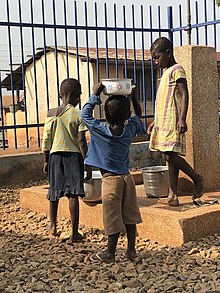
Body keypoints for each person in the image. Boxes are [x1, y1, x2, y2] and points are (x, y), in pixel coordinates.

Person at [81, 83, 143, 263]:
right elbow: (138, 115)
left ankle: (110, 253)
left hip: (110, 181)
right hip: (127, 179)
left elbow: (85, 115)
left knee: (112, 216)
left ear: (106, 115)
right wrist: (132, 97)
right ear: (127, 115)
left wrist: (95, 95)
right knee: (130, 214)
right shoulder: (130, 129)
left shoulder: (99, 130)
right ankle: (131, 250)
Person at [147, 37, 204, 206]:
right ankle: (173, 195)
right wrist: (155, 121)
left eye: (157, 57)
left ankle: (196, 178)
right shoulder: (165, 72)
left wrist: (182, 118)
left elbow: (184, 93)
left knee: (170, 155)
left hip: (173, 119)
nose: (155, 61)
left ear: (168, 53)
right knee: (169, 157)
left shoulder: (177, 69)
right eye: (153, 59)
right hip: (163, 120)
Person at [42, 78, 92, 242]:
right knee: (73, 194)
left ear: (59, 94)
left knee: (54, 192)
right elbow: (82, 141)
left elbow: (46, 140)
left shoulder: (51, 113)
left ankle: (52, 225)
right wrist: (87, 163)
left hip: (55, 156)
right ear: (78, 97)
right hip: (73, 157)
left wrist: (46, 160)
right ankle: (74, 233)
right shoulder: (78, 114)